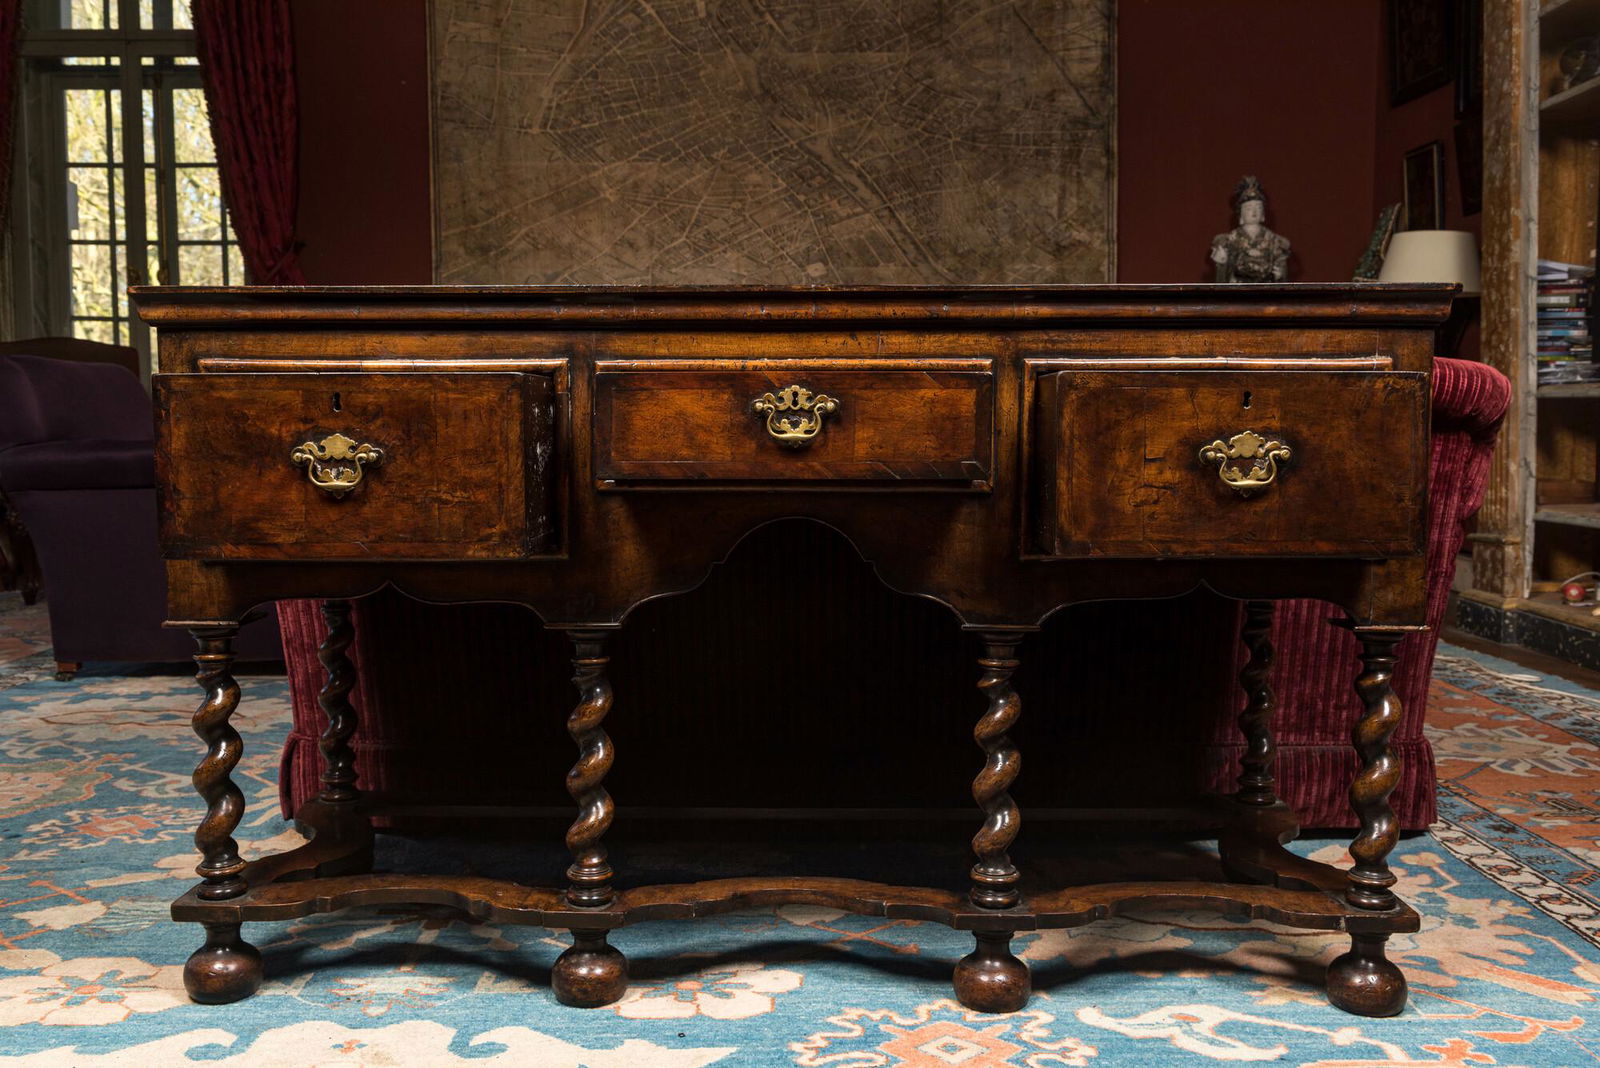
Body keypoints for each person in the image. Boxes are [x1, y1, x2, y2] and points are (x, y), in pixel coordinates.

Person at [1210, 176, 1290, 283]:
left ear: (1263, 214)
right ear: (1241, 215)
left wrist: (1280, 274)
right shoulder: (1230, 240)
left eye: (1258, 207)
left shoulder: (1274, 241)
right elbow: (1222, 279)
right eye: (1249, 208)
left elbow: (1282, 274)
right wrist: (1222, 263)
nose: (1254, 212)